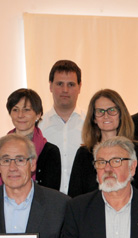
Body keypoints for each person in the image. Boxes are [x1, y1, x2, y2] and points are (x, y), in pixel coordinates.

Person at [67, 89, 138, 197]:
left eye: (112, 110)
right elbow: (75, 197)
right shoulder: (84, 154)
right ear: (94, 118)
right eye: (100, 111)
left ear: (121, 114)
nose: (106, 116)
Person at [0, 88, 61, 192]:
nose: (20, 115)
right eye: (15, 110)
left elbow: (51, 195)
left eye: (26, 110)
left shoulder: (50, 152)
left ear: (38, 114)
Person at [40, 60, 84, 196]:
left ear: (79, 87)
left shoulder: (92, 125)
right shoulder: (39, 127)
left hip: (83, 204)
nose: (65, 90)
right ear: (50, 86)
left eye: (71, 84)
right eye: (60, 84)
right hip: (48, 203)